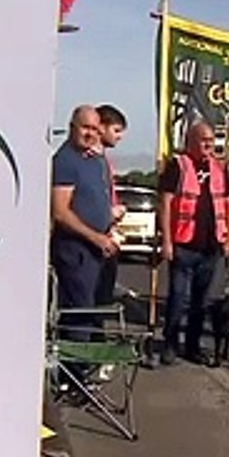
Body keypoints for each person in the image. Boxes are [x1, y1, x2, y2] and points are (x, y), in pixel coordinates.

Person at [157, 121, 229, 365]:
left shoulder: (220, 169)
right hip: (183, 244)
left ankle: (193, 346)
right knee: (178, 298)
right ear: (190, 141)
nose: (209, 145)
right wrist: (167, 241)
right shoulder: (178, 166)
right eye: (203, 140)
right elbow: (166, 203)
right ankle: (170, 344)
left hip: (210, 247)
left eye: (211, 141)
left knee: (201, 302)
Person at [50, 105, 118, 359]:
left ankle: (87, 367)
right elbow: (61, 212)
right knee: (79, 314)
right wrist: (96, 237)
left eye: (94, 128)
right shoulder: (65, 160)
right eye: (85, 128)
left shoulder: (93, 160)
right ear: (72, 128)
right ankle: (74, 375)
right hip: (76, 250)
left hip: (100, 249)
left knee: (95, 312)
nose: (91, 133)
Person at [93, 104, 128, 307]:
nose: (119, 137)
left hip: (107, 235)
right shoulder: (88, 159)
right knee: (90, 300)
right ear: (102, 127)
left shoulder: (104, 160)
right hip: (92, 240)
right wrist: (109, 213)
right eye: (116, 130)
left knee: (103, 297)